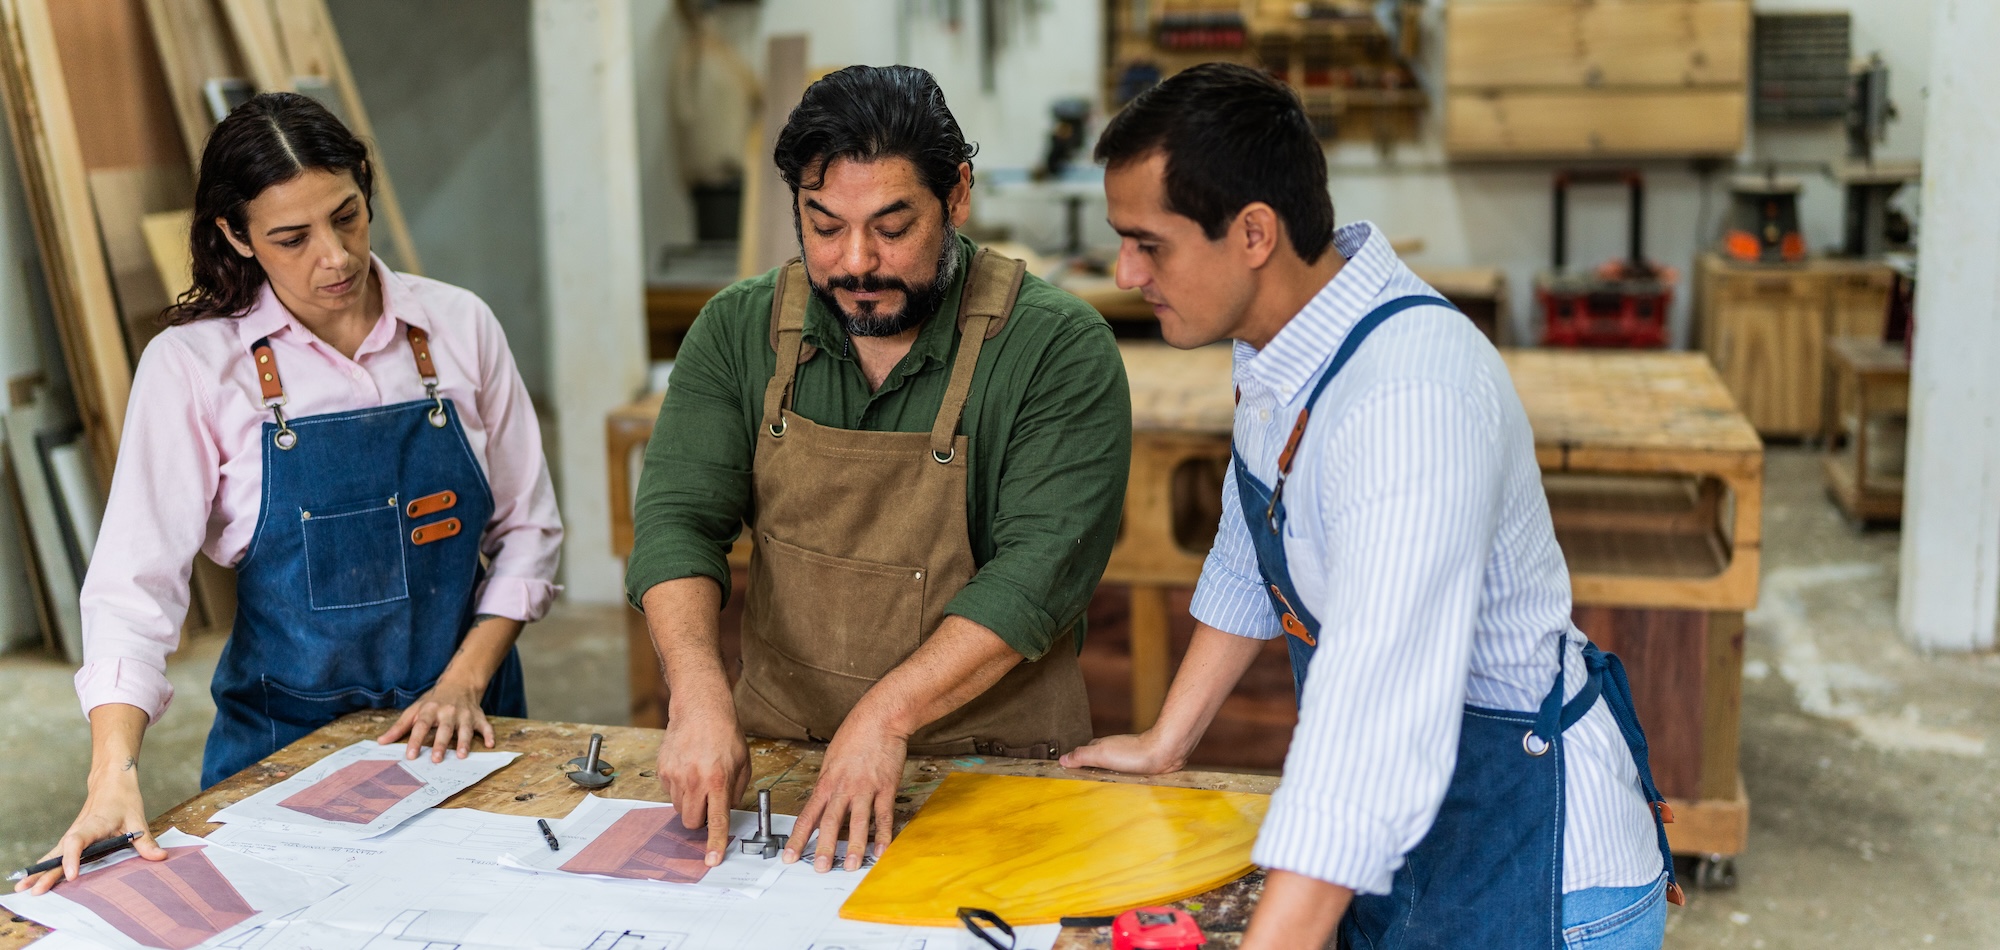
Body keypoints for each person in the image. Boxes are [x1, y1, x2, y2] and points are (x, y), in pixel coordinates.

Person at [1060, 64, 1676, 948]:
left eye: (1148, 243)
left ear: (1254, 234)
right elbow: (1254, 545)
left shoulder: (1407, 399)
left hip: (1542, 884)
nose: (1124, 272)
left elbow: (1372, 722)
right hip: (1417, 860)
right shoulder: (1283, 349)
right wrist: (1168, 739)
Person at [19, 93, 561, 894]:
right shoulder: (196, 367)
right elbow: (133, 591)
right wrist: (112, 772)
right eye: (291, 238)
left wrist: (464, 679)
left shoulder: (458, 326)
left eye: (347, 217)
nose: (335, 257)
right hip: (285, 747)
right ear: (236, 236)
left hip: (466, 729)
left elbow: (529, 531)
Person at [627, 65, 1129, 873]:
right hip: (782, 761)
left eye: (893, 227)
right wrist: (695, 690)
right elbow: (678, 522)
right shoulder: (738, 329)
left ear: (956, 195)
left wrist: (886, 718)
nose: (855, 262)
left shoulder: (1057, 349)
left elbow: (1036, 576)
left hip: (991, 768)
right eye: (823, 227)